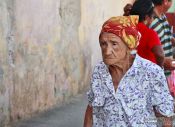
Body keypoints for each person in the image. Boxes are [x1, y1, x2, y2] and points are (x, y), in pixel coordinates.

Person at [83, 16, 174, 127]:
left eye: (114, 44)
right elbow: (92, 107)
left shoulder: (151, 72)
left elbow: (166, 116)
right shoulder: (99, 70)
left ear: (129, 45)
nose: (107, 52)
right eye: (103, 44)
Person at [130, 0, 165, 67]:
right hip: (147, 73)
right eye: (152, 17)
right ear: (146, 17)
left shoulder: (125, 29)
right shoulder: (150, 33)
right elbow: (160, 55)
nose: (152, 20)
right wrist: (159, 68)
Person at [150, 0, 175, 77]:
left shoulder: (163, 16)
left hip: (166, 72)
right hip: (155, 74)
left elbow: (168, 37)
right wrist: (163, 62)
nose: (172, 4)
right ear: (165, 1)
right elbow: (145, 48)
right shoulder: (150, 20)